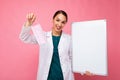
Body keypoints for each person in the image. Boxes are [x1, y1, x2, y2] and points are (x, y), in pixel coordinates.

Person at [19, 10, 93, 80]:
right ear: (53, 20)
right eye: (57, 20)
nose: (59, 24)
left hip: (64, 77)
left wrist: (83, 70)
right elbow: (24, 37)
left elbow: (73, 59)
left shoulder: (68, 39)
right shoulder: (43, 36)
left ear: (65, 23)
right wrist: (28, 23)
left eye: (63, 22)